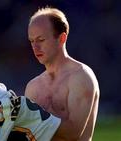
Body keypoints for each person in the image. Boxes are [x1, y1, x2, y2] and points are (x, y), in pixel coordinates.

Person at [25, 7, 100, 141]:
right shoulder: (33, 87)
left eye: (41, 40)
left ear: (62, 38)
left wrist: (28, 115)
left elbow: (73, 133)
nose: (35, 47)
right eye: (32, 41)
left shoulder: (81, 76)